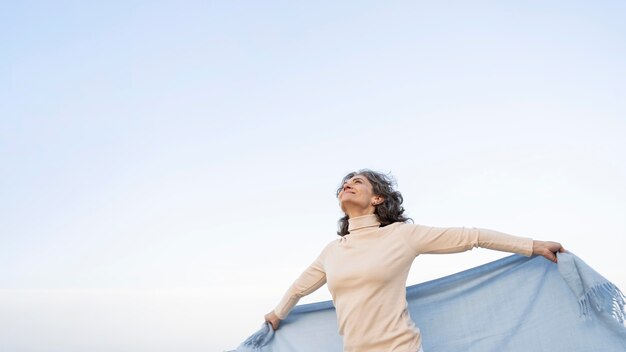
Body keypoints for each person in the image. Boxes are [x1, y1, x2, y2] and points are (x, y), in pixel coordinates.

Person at [264, 169, 564, 352]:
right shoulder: (332, 251)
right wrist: (277, 315)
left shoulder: (402, 236)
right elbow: (298, 289)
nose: (347, 185)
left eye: (357, 182)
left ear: (378, 199)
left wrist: (533, 246)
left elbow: (472, 236)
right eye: (344, 184)